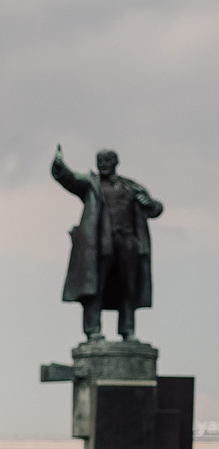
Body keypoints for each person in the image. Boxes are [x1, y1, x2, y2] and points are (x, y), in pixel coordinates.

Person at [52, 145, 163, 341]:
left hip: (128, 242)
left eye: (107, 161)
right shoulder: (90, 185)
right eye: (100, 161)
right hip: (101, 245)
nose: (103, 164)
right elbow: (70, 179)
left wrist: (150, 204)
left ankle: (128, 331)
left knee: (129, 288)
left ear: (116, 163)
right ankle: (93, 330)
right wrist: (60, 166)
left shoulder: (131, 186)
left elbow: (155, 209)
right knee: (95, 288)